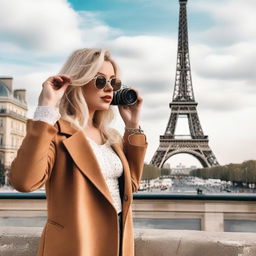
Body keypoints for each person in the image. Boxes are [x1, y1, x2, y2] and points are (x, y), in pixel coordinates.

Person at [8, 48, 148, 256]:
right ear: (79, 81)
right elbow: (24, 182)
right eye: (100, 80)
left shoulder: (112, 137)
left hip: (118, 242)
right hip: (77, 244)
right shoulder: (54, 132)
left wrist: (132, 126)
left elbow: (132, 186)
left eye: (114, 82)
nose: (110, 88)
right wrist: (46, 108)